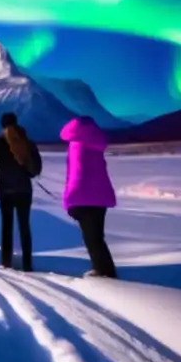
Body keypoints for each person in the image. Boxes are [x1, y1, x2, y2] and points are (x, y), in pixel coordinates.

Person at [61, 116, 118, 278]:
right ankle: (107, 269)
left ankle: (101, 270)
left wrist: (69, 201)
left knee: (90, 237)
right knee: (98, 236)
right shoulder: (97, 143)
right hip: (100, 196)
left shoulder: (75, 145)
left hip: (82, 196)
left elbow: (74, 175)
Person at [0, 112, 42, 271]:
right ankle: (27, 263)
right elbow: (37, 166)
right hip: (24, 190)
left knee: (7, 226)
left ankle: (6, 261)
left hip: (5, 190)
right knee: (24, 226)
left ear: (2, 125)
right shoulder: (28, 141)